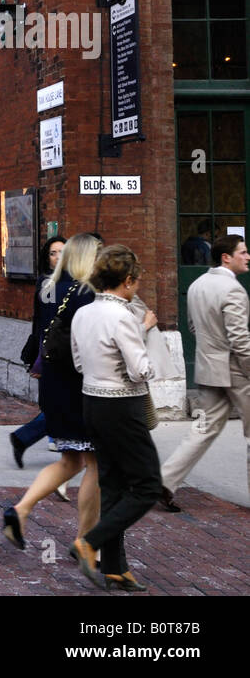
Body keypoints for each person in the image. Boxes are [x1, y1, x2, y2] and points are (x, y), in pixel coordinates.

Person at [1, 233, 101, 554]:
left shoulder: (48, 286)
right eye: (97, 255)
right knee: (95, 463)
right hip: (77, 384)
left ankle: (21, 509)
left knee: (71, 461)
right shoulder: (87, 293)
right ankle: (85, 541)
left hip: (53, 380)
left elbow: (39, 326)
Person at [72, 245, 160, 592]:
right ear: (127, 281)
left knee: (112, 485)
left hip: (91, 401)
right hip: (122, 406)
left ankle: (114, 567)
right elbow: (141, 369)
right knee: (147, 485)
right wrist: (146, 336)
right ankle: (89, 541)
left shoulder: (84, 313)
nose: (136, 287)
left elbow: (79, 364)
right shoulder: (123, 316)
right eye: (136, 281)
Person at [158, 234, 250, 512]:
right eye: (243, 252)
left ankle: (165, 480)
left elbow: (193, 327)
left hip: (208, 366)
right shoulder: (233, 290)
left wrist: (211, 351)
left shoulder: (198, 285)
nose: (247, 257)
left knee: (204, 428)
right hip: (236, 370)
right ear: (226, 257)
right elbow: (240, 340)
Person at [9, 236, 66, 471]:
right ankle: (25, 436)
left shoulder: (71, 281)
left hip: (62, 350)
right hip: (57, 351)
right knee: (66, 404)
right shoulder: (48, 283)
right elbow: (43, 322)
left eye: (62, 252)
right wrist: (39, 356)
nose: (58, 257)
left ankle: (27, 437)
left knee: (64, 404)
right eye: (53, 253)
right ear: (47, 257)